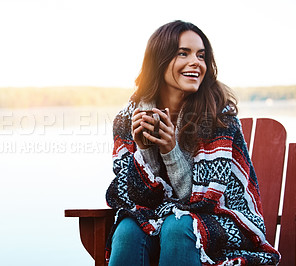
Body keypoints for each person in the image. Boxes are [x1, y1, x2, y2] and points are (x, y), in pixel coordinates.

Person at [105, 20, 280, 266]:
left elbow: (204, 200)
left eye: (201, 55)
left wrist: (169, 150)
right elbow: (128, 197)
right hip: (161, 219)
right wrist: (145, 151)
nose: (196, 63)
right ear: (159, 60)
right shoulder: (128, 120)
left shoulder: (219, 118)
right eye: (183, 53)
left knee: (179, 226)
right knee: (128, 229)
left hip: (225, 220)